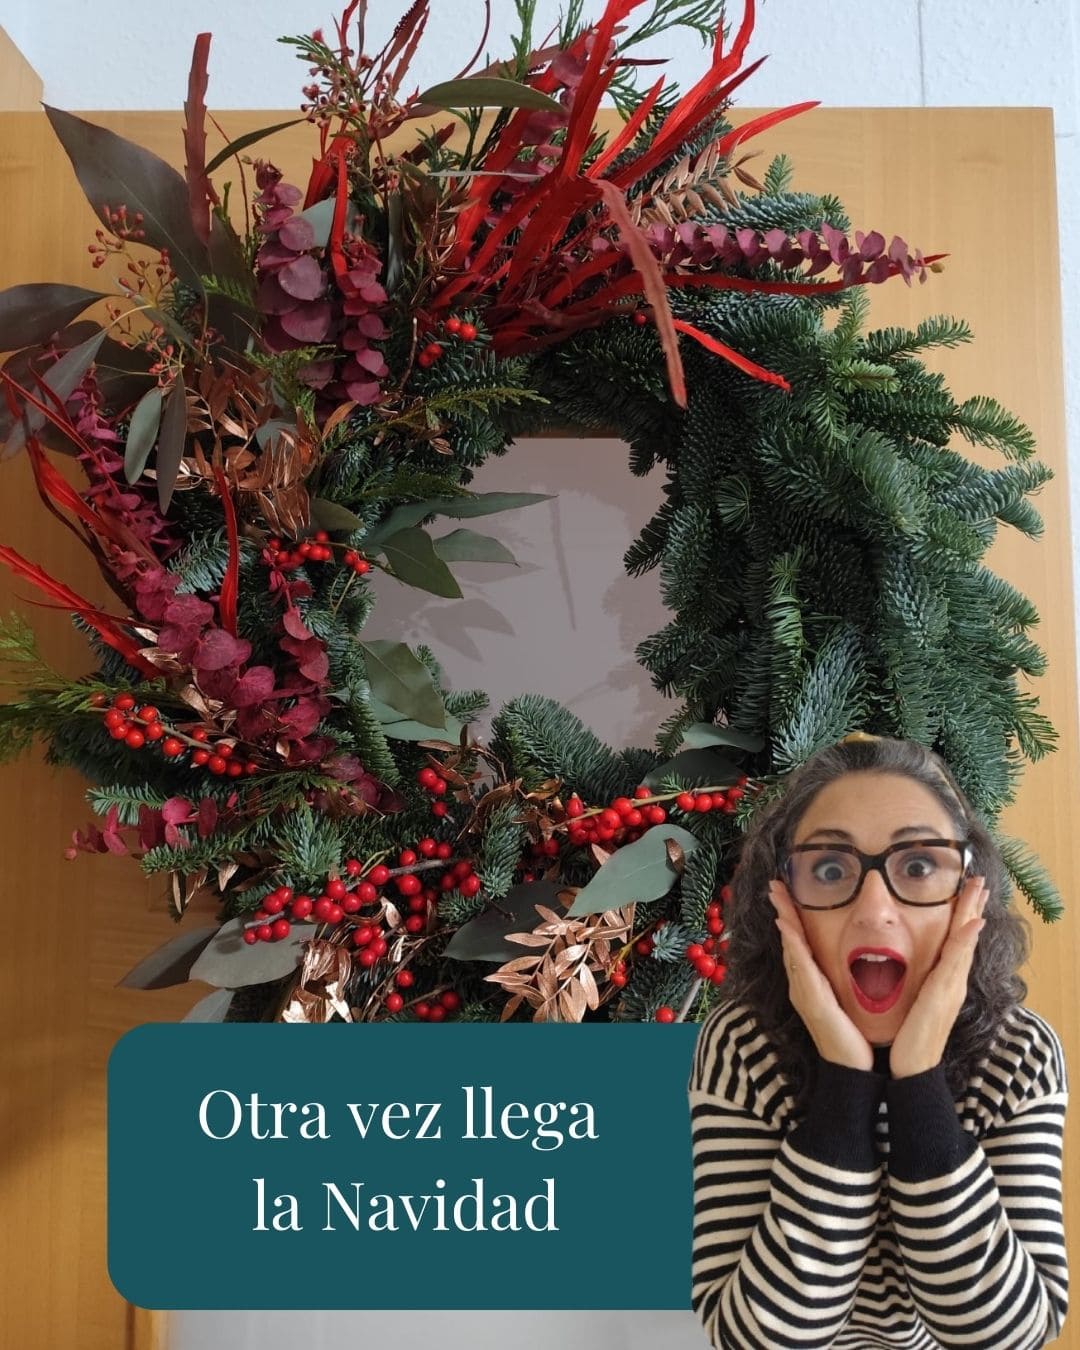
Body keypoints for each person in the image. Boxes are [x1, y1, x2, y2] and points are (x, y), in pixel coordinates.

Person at [688, 733, 1068, 1349]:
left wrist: (919, 1082)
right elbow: (753, 1337)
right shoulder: (742, 1045)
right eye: (830, 869)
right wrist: (845, 1083)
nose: (874, 910)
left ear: (968, 894)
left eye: (917, 867)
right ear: (783, 899)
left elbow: (1010, 1336)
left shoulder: (1019, 1053)